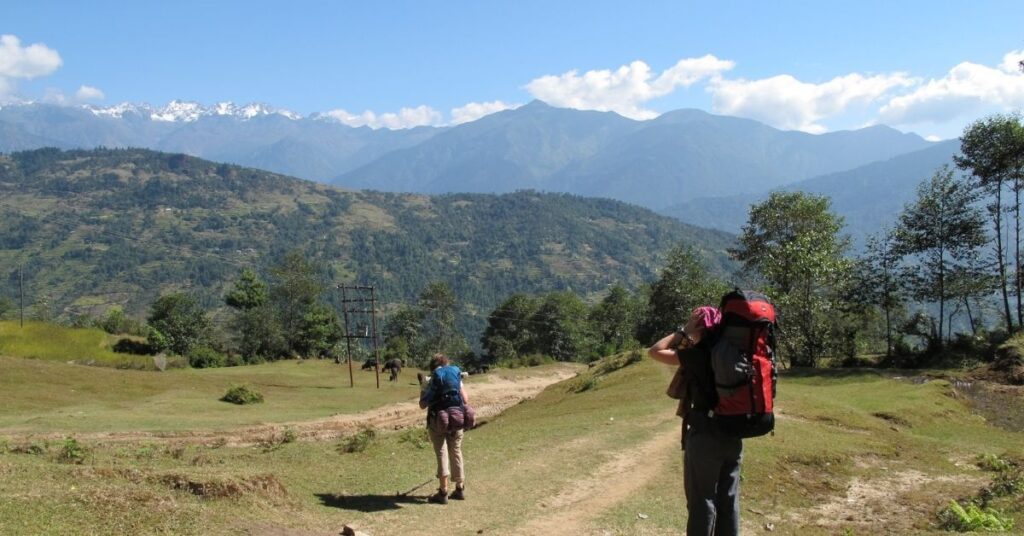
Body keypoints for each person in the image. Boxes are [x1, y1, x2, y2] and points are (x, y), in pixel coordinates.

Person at [649, 306, 742, 536]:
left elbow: (655, 351)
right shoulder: (734, 352)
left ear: (700, 325)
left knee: (702, 500)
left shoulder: (697, 354)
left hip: (705, 435)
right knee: (728, 500)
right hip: (734, 433)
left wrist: (683, 331)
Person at [419, 353, 469, 504]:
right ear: (447, 363)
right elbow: (465, 400)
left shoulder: (432, 379)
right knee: (456, 450)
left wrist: (424, 389)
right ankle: (460, 488)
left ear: (432, 367)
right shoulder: (455, 375)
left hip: (438, 420)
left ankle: (443, 491)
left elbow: (422, 405)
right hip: (457, 418)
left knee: (442, 452)